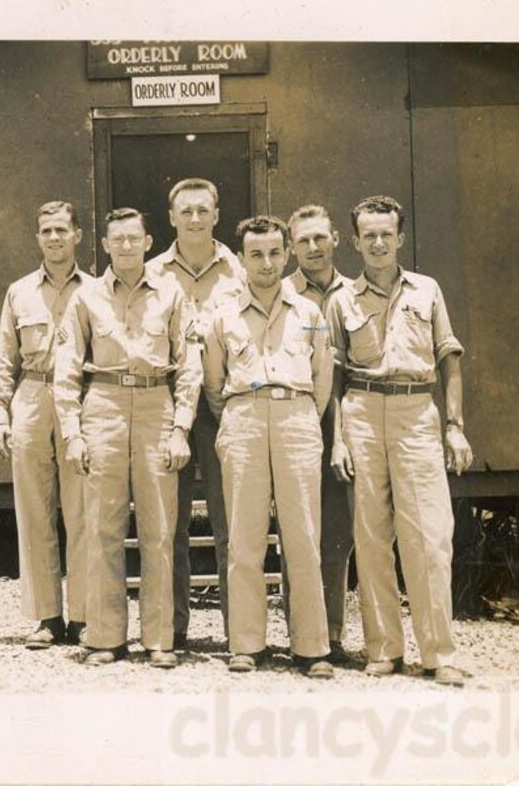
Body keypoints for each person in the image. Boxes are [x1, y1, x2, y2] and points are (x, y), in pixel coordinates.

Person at [327, 195, 474, 686]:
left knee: (430, 537)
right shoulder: (341, 300)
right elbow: (334, 375)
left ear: (400, 238)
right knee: (371, 536)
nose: (377, 242)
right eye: (367, 234)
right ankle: (384, 648)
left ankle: (439, 653)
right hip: (363, 413)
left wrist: (454, 427)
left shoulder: (427, 291)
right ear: (354, 241)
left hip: (416, 412)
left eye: (386, 233)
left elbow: (449, 358)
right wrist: (338, 440)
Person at [55, 208, 201, 669]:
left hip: (157, 404)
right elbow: (66, 369)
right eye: (117, 239)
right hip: (104, 406)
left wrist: (181, 428)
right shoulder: (86, 298)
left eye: (133, 239)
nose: (125, 246)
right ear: (104, 244)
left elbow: (189, 364)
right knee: (103, 526)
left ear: (148, 241)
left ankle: (159, 639)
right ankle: (104, 636)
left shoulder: (171, 293)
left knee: (160, 527)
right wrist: (73, 434)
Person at [202, 215, 335, 679]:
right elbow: (214, 385)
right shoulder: (222, 315)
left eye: (275, 252)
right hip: (243, 418)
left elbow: (322, 380)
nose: (266, 262)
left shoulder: (311, 315)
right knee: (245, 537)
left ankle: (311, 647)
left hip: (297, 418)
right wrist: (246, 414)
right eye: (256, 254)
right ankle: (246, 644)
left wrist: (296, 415)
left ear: (286, 254)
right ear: (241, 259)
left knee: (303, 537)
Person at [0, 200, 91, 649]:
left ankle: (85, 616)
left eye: (62, 230)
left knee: (83, 509)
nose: (54, 238)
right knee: (34, 510)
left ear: (78, 236)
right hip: (31, 396)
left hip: (82, 401)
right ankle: (47, 617)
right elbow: (4, 356)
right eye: (46, 231)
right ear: (37, 238)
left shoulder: (96, 289)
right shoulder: (19, 292)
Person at [146, 178, 245, 650]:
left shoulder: (239, 270)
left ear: (216, 214)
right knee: (171, 523)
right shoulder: (152, 273)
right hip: (170, 410)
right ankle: (174, 627)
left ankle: (238, 630)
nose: (194, 219)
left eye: (203, 210)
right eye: (185, 211)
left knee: (230, 525)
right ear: (171, 218)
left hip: (225, 406)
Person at [280, 204, 355, 664]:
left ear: (335, 241)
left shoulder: (353, 293)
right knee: (297, 529)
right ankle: (300, 635)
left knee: (338, 531)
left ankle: (332, 632)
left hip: (345, 418)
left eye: (320, 238)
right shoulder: (280, 291)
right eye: (303, 240)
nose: (312, 248)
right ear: (291, 246)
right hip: (296, 417)